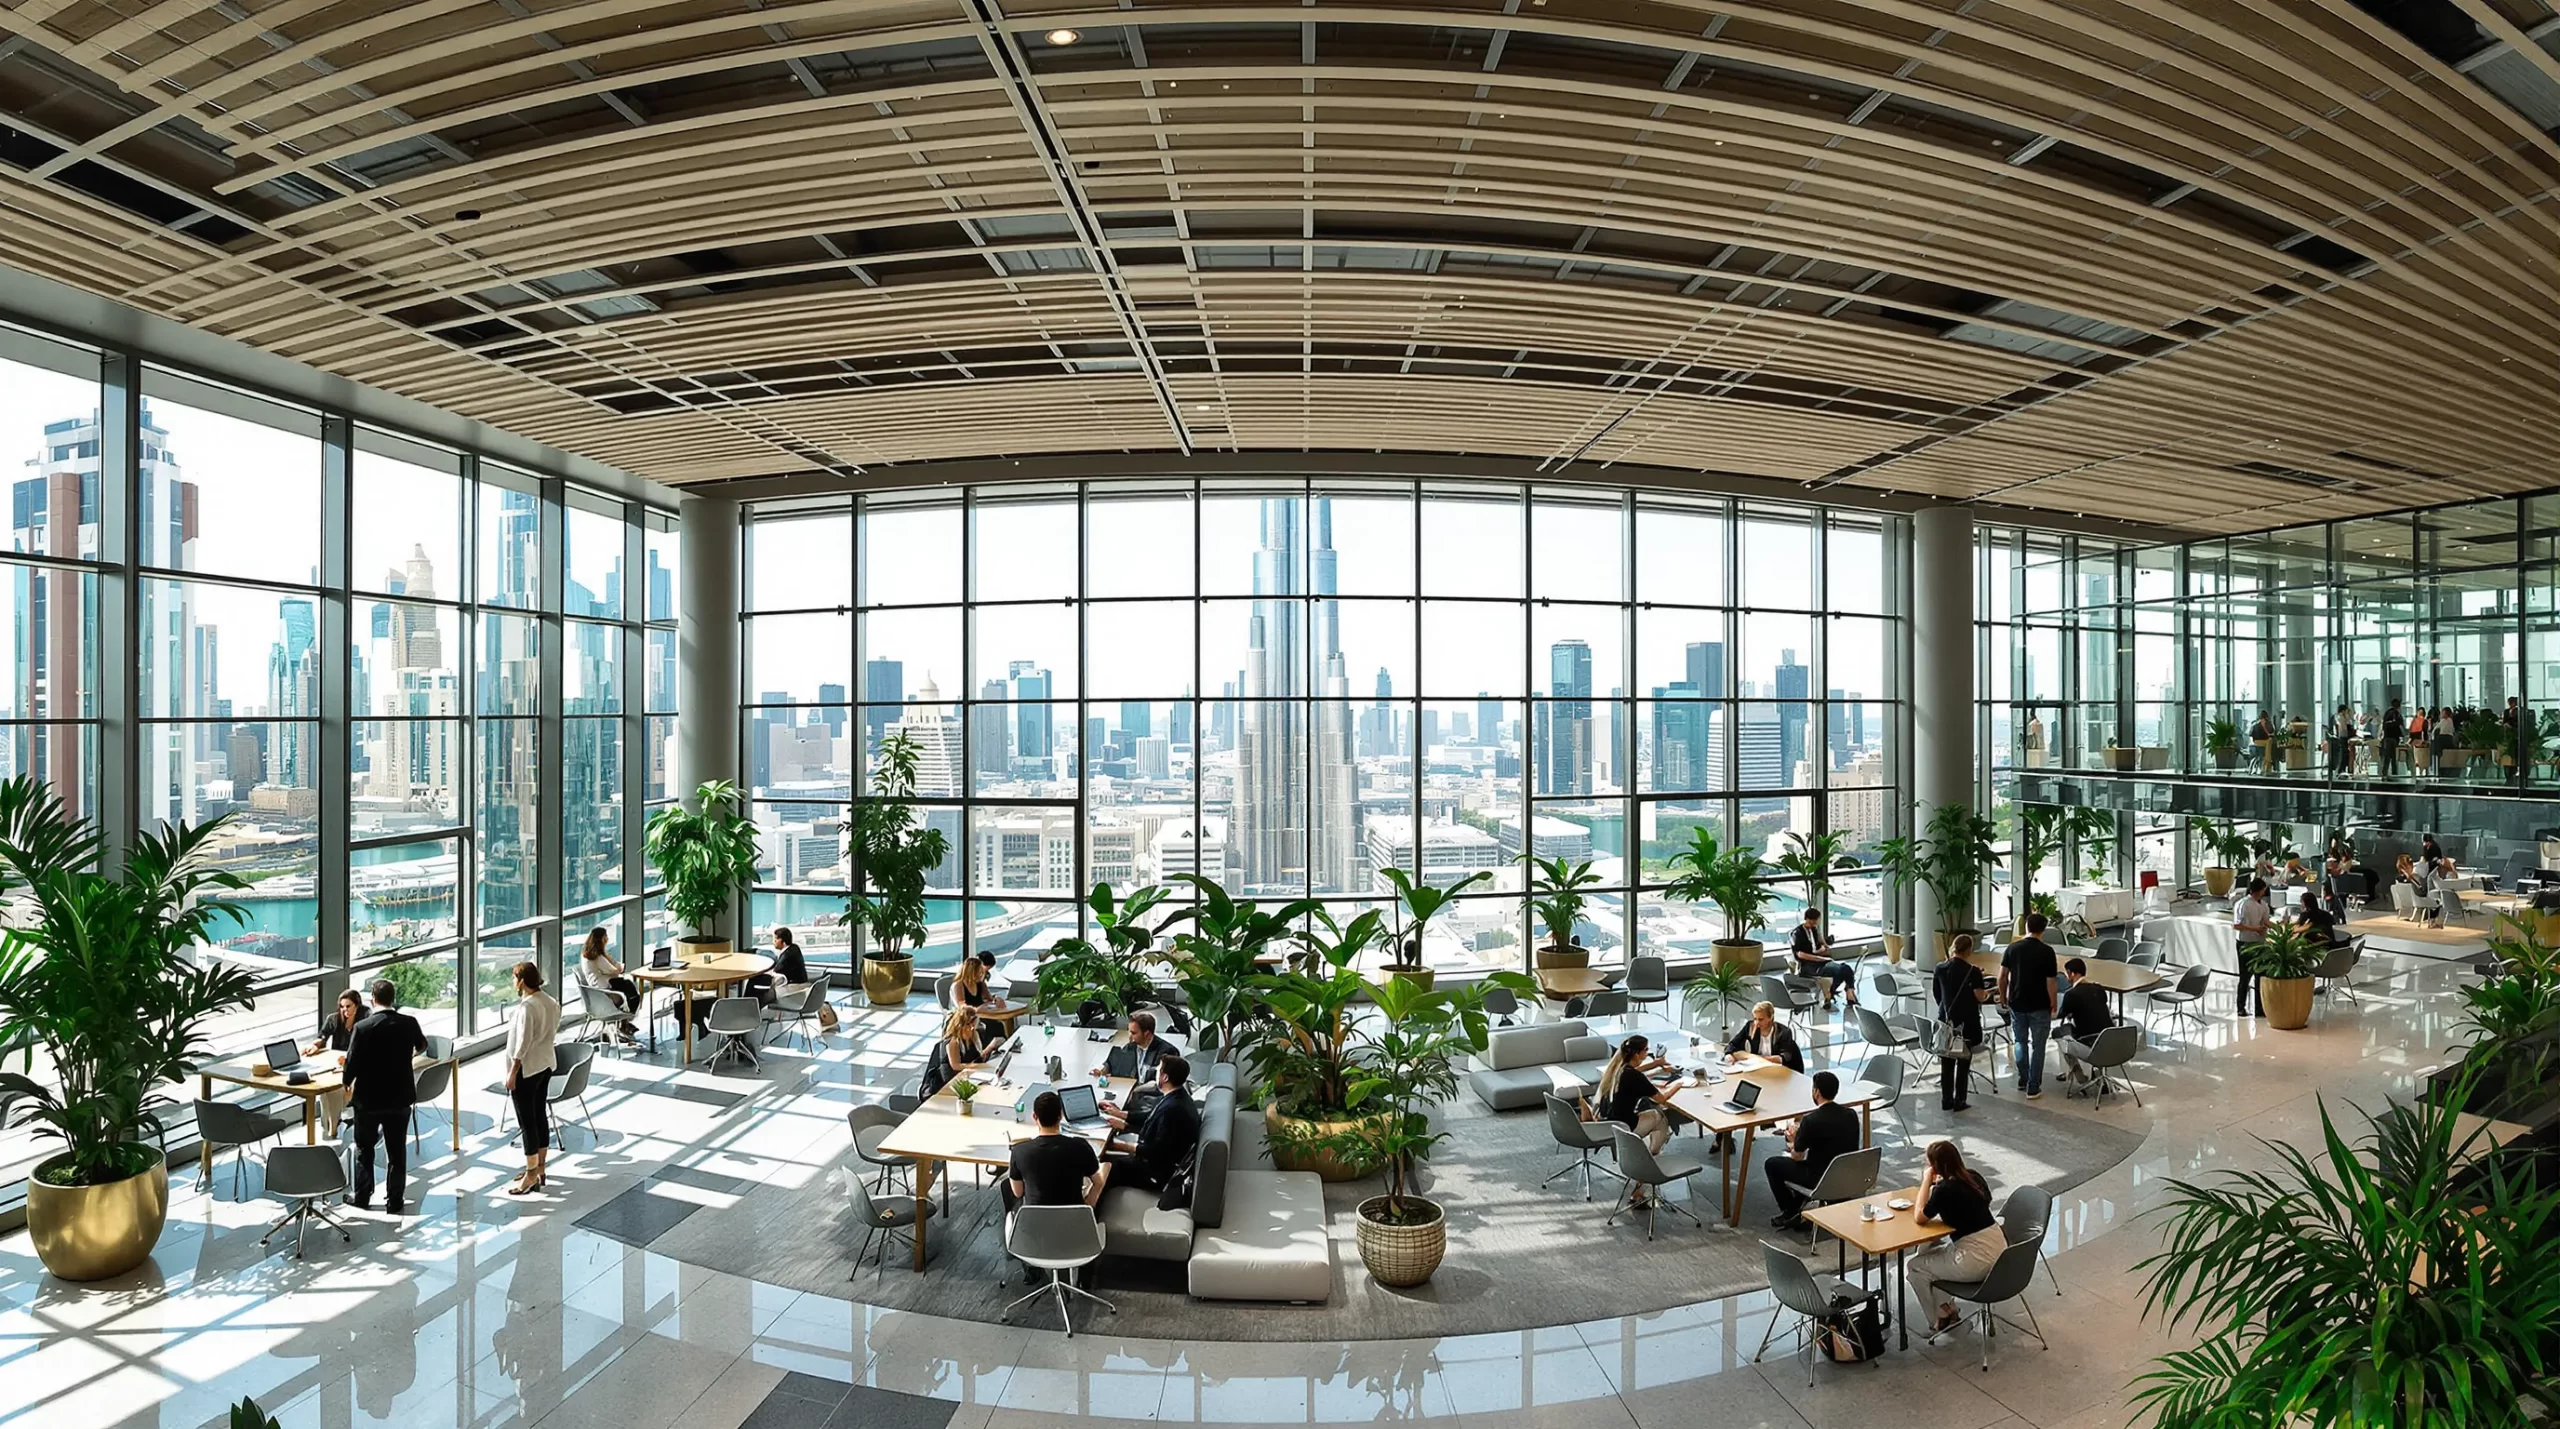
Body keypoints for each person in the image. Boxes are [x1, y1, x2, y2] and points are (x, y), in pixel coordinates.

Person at [342, 978, 428, 1214]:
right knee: (397, 1151)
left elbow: (352, 1063)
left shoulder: (363, 1027)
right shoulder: (409, 1023)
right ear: (393, 998)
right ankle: (395, 1200)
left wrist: (346, 1082)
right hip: (399, 1098)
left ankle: (362, 1196)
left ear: (373, 998)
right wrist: (405, 1055)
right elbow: (422, 1045)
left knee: (364, 1149)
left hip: (368, 1100)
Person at [1907, 1141, 2006, 1337]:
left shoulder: (1944, 1189)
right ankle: (1947, 1308)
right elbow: (1978, 1202)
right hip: (2001, 1253)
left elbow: (1920, 1216)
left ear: (1934, 1166)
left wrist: (1926, 1181)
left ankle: (1936, 1319)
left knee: (1915, 1267)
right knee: (1935, 1258)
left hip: (1976, 1259)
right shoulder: (1974, 1177)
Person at [1091, 1053, 1200, 1196]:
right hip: (1158, 1161)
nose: (1155, 1073)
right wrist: (1121, 1115)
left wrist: (1118, 1145)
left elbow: (1155, 1151)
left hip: (1157, 1173)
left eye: (1158, 1070)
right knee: (1105, 1158)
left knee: (1106, 1165)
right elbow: (1151, 1117)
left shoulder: (1172, 1110)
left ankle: (1093, 1209)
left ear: (1165, 1077)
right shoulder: (1178, 1097)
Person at [1764, 1070, 1860, 1230]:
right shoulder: (1851, 1115)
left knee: (1772, 1164)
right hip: (1846, 1174)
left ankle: (1790, 1211)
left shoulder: (1811, 1120)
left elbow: (1797, 1156)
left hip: (1819, 1177)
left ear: (1816, 1092)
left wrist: (1793, 1139)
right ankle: (1798, 1207)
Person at [503, 962, 560, 1197]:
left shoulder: (528, 1007)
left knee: (527, 1122)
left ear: (522, 981)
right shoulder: (551, 1002)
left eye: (514, 977)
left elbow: (523, 1042)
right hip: (545, 1064)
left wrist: (513, 1070)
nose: (513, 982)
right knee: (539, 1117)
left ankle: (529, 1174)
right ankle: (540, 1167)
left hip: (527, 1069)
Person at [1008, 1089, 1103, 1210]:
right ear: (1061, 1116)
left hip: (1034, 1225)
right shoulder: (1080, 1146)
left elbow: (1018, 1192)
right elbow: (1098, 1183)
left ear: (1034, 1117)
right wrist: (1087, 1207)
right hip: (1074, 1222)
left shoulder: (1019, 1151)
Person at [1998, 913, 2060, 1098]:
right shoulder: (2047, 951)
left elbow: (2002, 976)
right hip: (2040, 1004)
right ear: (2043, 930)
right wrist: (2053, 1003)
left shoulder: (2012, 948)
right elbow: (2051, 981)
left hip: (2017, 1002)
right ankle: (2033, 1086)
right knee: (2039, 1046)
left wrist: (2003, 997)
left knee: (2020, 1041)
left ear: (2026, 927)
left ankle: (2023, 1078)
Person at [1932, 934, 1990, 1111]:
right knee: (1963, 1063)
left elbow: (1937, 994)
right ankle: (1960, 1101)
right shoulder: (1973, 972)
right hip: (1966, 1024)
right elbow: (1980, 996)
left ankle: (1946, 1100)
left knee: (1947, 1063)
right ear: (1969, 950)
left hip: (1946, 1022)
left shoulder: (1940, 968)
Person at [1594, 1033, 1676, 1159]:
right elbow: (1662, 1099)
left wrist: (1656, 1064)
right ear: (1637, 1054)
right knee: (1658, 1116)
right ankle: (1653, 1154)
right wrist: (1679, 1084)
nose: (1648, 1053)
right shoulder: (1635, 1077)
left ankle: (1653, 1152)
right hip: (1625, 1127)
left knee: (1652, 1114)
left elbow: (1636, 1070)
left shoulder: (1617, 1068)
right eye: (1646, 1050)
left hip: (1609, 1123)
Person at [307, 989, 363, 1138]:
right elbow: (322, 1036)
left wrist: (350, 1059)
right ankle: (332, 1124)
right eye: (342, 1006)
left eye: (348, 1006)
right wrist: (315, 1045)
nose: (345, 1010)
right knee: (327, 1089)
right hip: (337, 1064)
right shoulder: (334, 1019)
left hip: (358, 1065)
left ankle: (334, 1124)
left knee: (337, 1089)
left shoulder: (365, 1019)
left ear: (357, 1006)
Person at [2055, 958, 2114, 1093]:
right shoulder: (2099, 989)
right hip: (2112, 1041)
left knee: (2058, 1032)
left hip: (2090, 1042)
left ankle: (2080, 1077)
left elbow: (2061, 1014)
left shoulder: (2071, 994)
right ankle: (2098, 1075)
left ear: (2071, 973)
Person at [575, 926, 641, 1039]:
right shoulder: (599, 958)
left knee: (625, 986)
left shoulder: (586, 954)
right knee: (630, 990)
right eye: (605, 936)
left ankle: (624, 1023)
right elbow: (615, 970)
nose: (607, 938)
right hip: (604, 989)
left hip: (594, 989)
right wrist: (614, 962)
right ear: (601, 939)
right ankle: (625, 1022)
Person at [1788, 908, 1859, 1011]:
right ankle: (1842, 994)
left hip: (1820, 961)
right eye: (1815, 920)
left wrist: (1822, 944)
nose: (1816, 922)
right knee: (1843, 970)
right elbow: (1800, 954)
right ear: (1808, 919)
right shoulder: (1797, 933)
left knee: (1844, 969)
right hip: (1808, 965)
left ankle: (1843, 992)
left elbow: (1825, 948)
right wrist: (1818, 958)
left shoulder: (1814, 930)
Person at [922, 1005, 992, 1096]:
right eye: (968, 1025)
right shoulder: (953, 1042)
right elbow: (956, 1066)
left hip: (966, 1077)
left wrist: (989, 1050)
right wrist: (981, 1066)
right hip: (949, 1082)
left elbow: (977, 1057)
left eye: (973, 1025)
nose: (972, 1028)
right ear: (960, 1025)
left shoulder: (974, 1036)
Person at [1725, 1001, 1805, 1072]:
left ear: (1770, 1017)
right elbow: (1732, 1044)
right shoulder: (1750, 1027)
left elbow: (1784, 1058)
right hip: (1759, 1068)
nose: (1757, 1023)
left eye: (1761, 1019)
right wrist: (1729, 1055)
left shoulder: (1783, 1032)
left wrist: (1754, 1058)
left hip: (1780, 1070)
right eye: (1755, 1019)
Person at [2232, 877, 2272, 1017]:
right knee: (2245, 976)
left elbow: (2266, 921)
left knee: (2260, 975)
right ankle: (2240, 1007)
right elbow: (2237, 925)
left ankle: (2259, 1007)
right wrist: (2255, 929)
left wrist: (2278, 928)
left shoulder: (2263, 905)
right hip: (2245, 943)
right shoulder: (2242, 904)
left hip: (2259, 943)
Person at [1095, 1010, 1171, 1082]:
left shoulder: (1166, 1053)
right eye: (1129, 1031)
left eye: (1133, 1033)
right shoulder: (1131, 1046)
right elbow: (1112, 1063)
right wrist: (1101, 1071)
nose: (1130, 1037)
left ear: (1147, 1034)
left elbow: (1160, 1084)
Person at [749, 925, 810, 1006]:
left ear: (782, 941)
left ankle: (748, 1007)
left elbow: (776, 971)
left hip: (791, 989)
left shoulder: (787, 955)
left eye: (775, 939)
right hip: (797, 985)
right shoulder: (794, 948)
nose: (773, 942)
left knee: (757, 990)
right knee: (757, 982)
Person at [2330, 704, 2355, 774]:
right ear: (2343, 710)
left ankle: (2342, 769)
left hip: (2343, 737)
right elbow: (2344, 729)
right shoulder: (2341, 718)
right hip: (2343, 737)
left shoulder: (2340, 717)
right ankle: (2341, 770)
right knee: (2343, 755)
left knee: (2344, 755)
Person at [2380, 699, 2402, 773]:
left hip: (2387, 737)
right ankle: (2394, 772)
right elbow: (2399, 724)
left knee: (2387, 756)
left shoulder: (2387, 713)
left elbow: (2384, 725)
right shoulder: (2397, 714)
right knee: (2393, 757)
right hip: (2394, 738)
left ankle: (2385, 772)